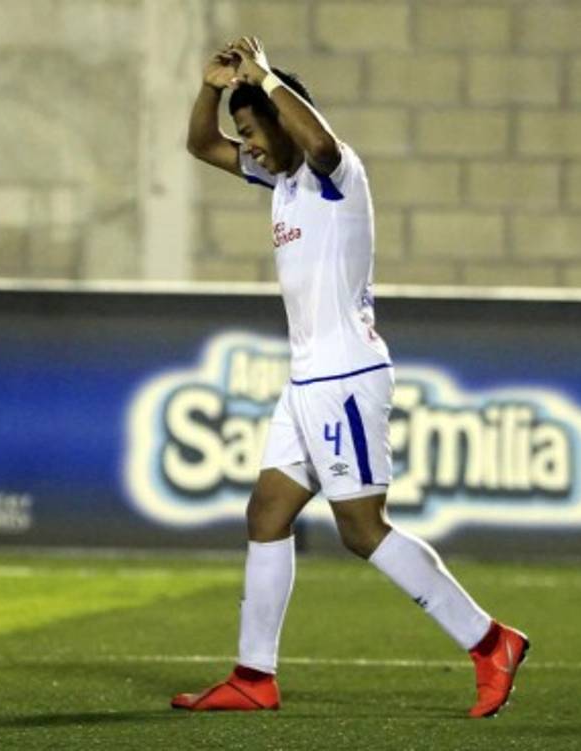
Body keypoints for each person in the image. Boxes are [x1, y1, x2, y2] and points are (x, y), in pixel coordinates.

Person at [174, 37, 529, 718]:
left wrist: (269, 78)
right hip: (306, 382)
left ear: (283, 118)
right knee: (267, 511)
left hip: (346, 377)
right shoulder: (278, 183)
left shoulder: (335, 175)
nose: (244, 146)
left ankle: (490, 641)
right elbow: (198, 144)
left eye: (252, 133)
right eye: (243, 136)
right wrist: (214, 88)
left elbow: (323, 142)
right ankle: (254, 675)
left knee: (363, 529)